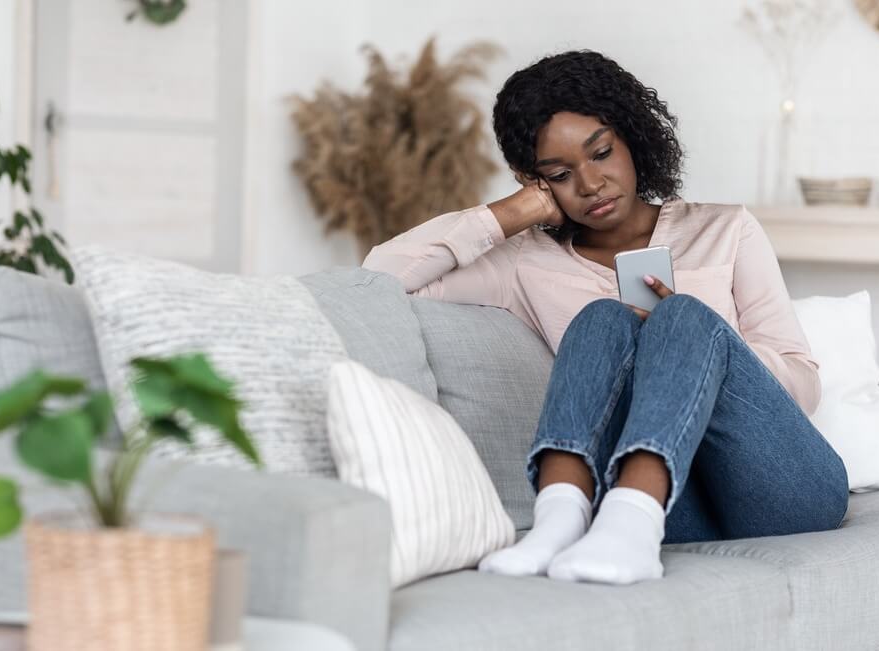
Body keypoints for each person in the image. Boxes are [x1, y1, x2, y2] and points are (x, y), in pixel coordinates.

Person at [361, 49, 849, 586]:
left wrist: (704, 345)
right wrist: (512, 214)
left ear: (632, 137)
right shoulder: (527, 263)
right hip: (670, 513)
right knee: (603, 318)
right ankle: (561, 520)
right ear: (536, 181)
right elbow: (381, 274)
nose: (591, 184)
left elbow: (803, 383)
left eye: (601, 154)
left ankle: (627, 512)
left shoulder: (726, 230)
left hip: (783, 490)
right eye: (561, 174)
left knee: (679, 316)